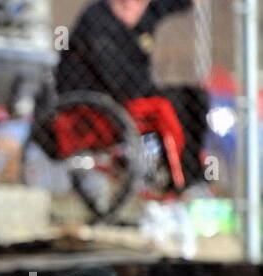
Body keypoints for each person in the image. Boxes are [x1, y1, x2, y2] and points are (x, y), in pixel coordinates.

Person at [54, 0, 209, 186]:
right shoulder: (98, 21)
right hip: (98, 106)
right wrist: (148, 89)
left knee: (194, 97)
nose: (130, 4)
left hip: (130, 96)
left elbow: (169, 4)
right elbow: (116, 79)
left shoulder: (142, 13)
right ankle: (180, 181)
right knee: (169, 103)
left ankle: (196, 176)